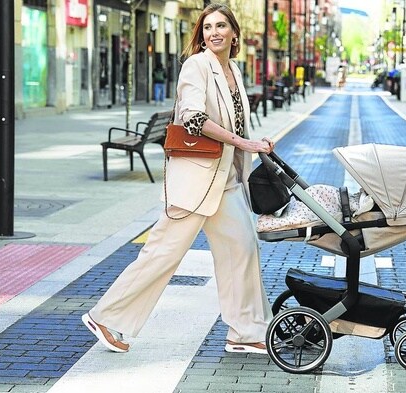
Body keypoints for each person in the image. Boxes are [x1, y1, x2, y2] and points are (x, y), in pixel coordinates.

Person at [82, 3, 275, 355]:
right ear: (200, 35)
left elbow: (236, 121)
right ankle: (106, 317)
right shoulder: (196, 65)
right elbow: (192, 117)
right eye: (207, 27)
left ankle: (245, 332)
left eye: (220, 26)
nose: (213, 32)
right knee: (163, 253)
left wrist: (252, 145)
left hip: (226, 179)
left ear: (234, 32)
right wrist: (242, 141)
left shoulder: (233, 69)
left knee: (242, 249)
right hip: (195, 180)